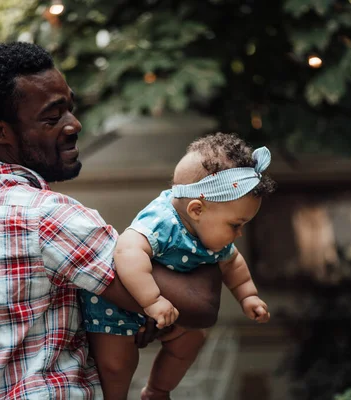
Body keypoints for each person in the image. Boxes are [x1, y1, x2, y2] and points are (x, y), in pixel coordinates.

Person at [0, 42, 222, 400]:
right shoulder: (46, 216)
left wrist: (131, 315)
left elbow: (26, 320)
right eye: (52, 118)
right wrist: (210, 220)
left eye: (70, 108)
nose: (74, 125)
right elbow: (199, 303)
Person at [82, 132, 274, 399]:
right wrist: (152, 301)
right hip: (121, 308)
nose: (238, 234)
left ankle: (157, 391)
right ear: (197, 209)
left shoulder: (210, 231)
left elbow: (233, 264)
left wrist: (248, 296)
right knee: (118, 365)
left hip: (168, 311)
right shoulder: (162, 221)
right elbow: (127, 251)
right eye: (236, 225)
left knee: (192, 340)